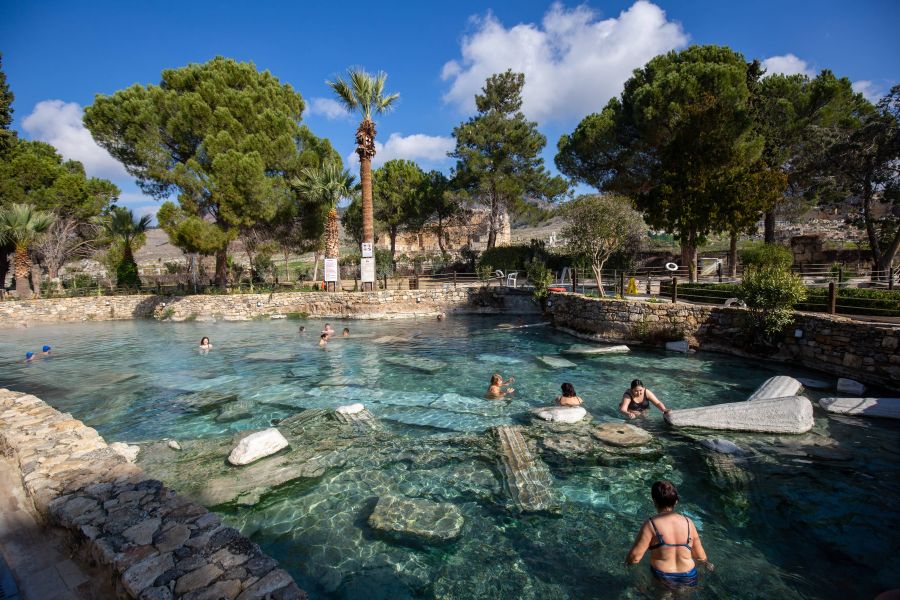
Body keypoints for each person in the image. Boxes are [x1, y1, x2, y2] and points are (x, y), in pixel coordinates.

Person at [626, 480, 711, 588]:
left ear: (654, 501)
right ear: (676, 502)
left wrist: (626, 566)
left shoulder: (651, 524)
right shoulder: (689, 523)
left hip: (663, 577)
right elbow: (701, 557)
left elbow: (634, 557)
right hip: (689, 576)